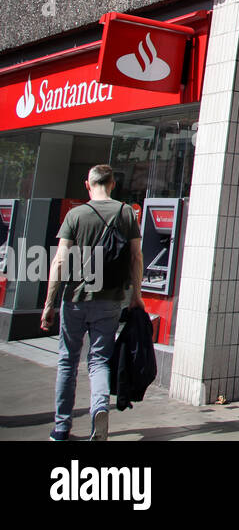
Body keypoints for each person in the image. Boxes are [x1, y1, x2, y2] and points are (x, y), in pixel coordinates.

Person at [40, 164, 143, 441]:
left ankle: (61, 428)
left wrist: (49, 303)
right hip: (110, 300)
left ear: (88, 184)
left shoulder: (75, 214)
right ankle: (99, 408)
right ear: (112, 184)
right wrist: (136, 295)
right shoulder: (126, 213)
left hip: (74, 299)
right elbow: (136, 257)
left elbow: (60, 260)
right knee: (99, 361)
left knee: (67, 362)